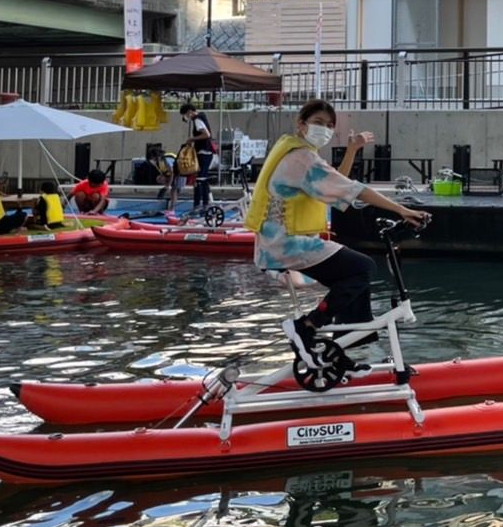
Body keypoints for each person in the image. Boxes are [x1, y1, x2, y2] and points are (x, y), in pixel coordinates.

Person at [245, 99, 428, 373]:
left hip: (283, 242)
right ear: (301, 124)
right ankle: (306, 327)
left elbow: (337, 183)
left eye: (330, 126)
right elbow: (352, 188)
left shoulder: (298, 151)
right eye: (319, 123)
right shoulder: (302, 158)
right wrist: (401, 210)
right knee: (362, 267)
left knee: (354, 278)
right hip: (288, 243)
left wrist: (352, 149)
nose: (325, 130)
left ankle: (347, 350)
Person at [174, 102, 215, 214]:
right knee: (203, 178)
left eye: (185, 115)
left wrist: (192, 139)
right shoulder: (201, 117)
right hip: (207, 152)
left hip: (204, 152)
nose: (186, 117)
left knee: (199, 179)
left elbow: (206, 135)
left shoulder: (197, 120)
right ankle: (206, 203)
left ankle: (198, 204)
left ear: (189, 112)